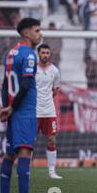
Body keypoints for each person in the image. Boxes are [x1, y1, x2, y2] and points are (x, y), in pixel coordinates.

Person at [0, 17, 46, 193]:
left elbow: (4, 85)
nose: (40, 34)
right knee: (25, 151)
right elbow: (25, 84)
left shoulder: (11, 53)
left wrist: (6, 107)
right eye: (37, 30)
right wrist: (13, 107)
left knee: (10, 154)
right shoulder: (29, 55)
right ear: (26, 33)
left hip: (13, 111)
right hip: (23, 110)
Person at [36, 44, 62, 179]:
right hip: (34, 112)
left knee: (51, 140)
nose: (45, 55)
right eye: (43, 52)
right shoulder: (32, 69)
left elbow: (56, 89)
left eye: (47, 53)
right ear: (38, 54)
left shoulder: (54, 71)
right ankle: (25, 171)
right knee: (30, 142)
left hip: (49, 111)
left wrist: (46, 99)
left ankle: (52, 171)